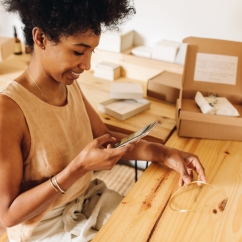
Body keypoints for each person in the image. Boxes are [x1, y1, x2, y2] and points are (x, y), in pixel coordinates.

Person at [0, 0, 206, 241]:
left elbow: (105, 139)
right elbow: (7, 216)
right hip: (45, 228)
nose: (87, 65)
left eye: (91, 51)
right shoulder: (9, 112)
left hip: (89, 200)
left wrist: (165, 153)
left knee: (168, 227)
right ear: (41, 38)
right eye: (78, 51)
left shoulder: (67, 84)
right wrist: (79, 168)